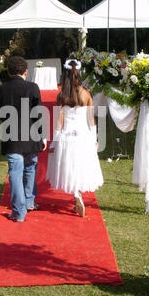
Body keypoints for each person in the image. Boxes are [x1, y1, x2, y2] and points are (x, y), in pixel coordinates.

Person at [46, 58, 103, 217]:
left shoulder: (61, 95)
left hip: (67, 136)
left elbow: (59, 121)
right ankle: (77, 194)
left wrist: (55, 141)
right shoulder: (86, 93)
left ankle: (76, 194)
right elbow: (91, 120)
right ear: (79, 74)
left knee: (69, 166)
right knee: (79, 165)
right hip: (83, 135)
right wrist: (94, 139)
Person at [0, 56, 47, 222]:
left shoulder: (1, 89)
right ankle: (29, 202)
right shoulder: (33, 87)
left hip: (11, 137)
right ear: (26, 71)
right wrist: (42, 135)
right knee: (30, 169)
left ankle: (19, 212)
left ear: (9, 72)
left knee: (16, 174)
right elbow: (38, 113)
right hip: (31, 136)